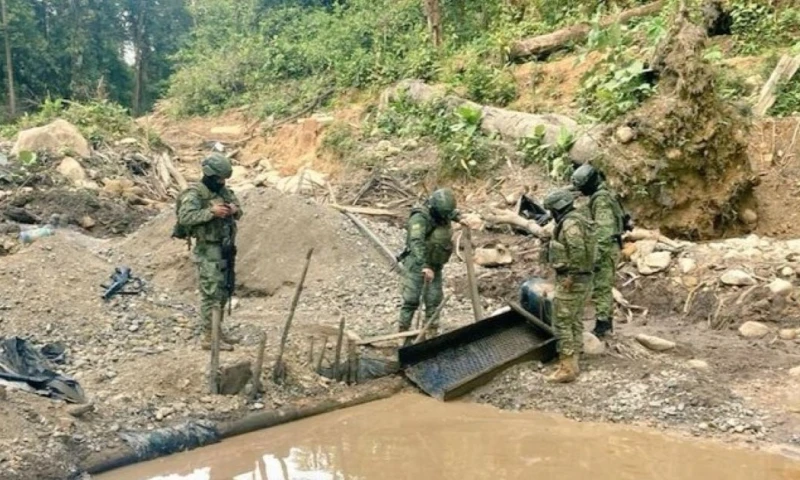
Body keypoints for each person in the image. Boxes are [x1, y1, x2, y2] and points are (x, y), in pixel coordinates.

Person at [177, 153, 243, 351]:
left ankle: (217, 330)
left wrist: (232, 210)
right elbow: (185, 217)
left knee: (223, 291)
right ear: (209, 175)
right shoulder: (194, 194)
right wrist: (211, 213)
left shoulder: (224, 192)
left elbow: (239, 210)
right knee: (211, 293)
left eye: (224, 179)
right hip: (208, 249)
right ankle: (209, 337)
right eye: (219, 179)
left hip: (225, 248)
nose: (222, 182)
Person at [542, 188, 596, 383]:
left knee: (562, 322)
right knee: (574, 319)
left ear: (557, 208)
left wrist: (571, 276)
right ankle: (574, 358)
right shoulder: (579, 219)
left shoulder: (570, 224)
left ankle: (567, 368)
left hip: (574, 279)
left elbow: (578, 250)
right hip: (583, 278)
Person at [398, 188, 459, 343]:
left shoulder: (442, 213)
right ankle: (403, 334)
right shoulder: (419, 218)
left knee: (433, 300)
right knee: (411, 300)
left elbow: (450, 214)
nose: (446, 217)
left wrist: (462, 218)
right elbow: (416, 242)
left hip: (436, 265)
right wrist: (424, 265)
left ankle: (430, 337)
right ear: (433, 208)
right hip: (417, 263)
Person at [571, 164, 625, 338]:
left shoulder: (601, 200)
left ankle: (603, 325)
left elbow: (604, 231)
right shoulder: (602, 195)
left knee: (601, 287)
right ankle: (604, 322)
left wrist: (596, 255)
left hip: (606, 247)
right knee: (601, 287)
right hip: (607, 246)